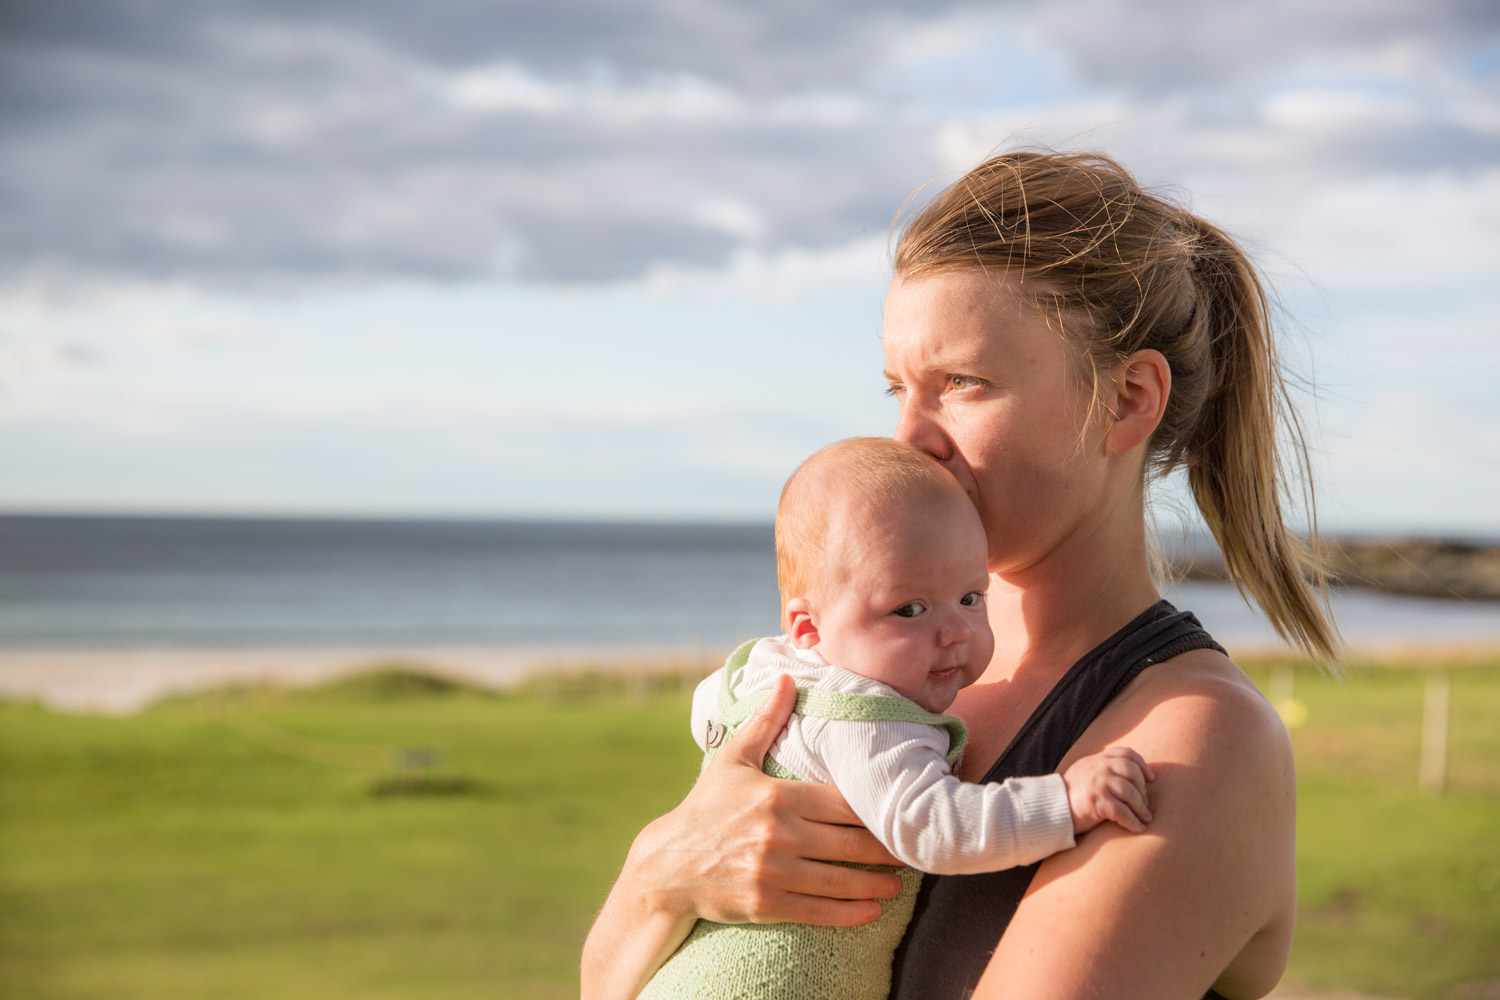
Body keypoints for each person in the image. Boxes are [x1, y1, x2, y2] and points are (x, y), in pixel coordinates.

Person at [581, 149, 1341, 1000]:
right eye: (898, 390)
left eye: (963, 383)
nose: (910, 439)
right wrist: (659, 876)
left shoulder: (1195, 744)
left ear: (1128, 398)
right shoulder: (874, 659)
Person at [636, 436, 1155, 999]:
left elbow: (709, 711)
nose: (955, 632)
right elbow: (934, 827)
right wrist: (1064, 802)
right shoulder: (867, 722)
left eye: (971, 598)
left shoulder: (762, 668)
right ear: (808, 626)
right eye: (909, 610)